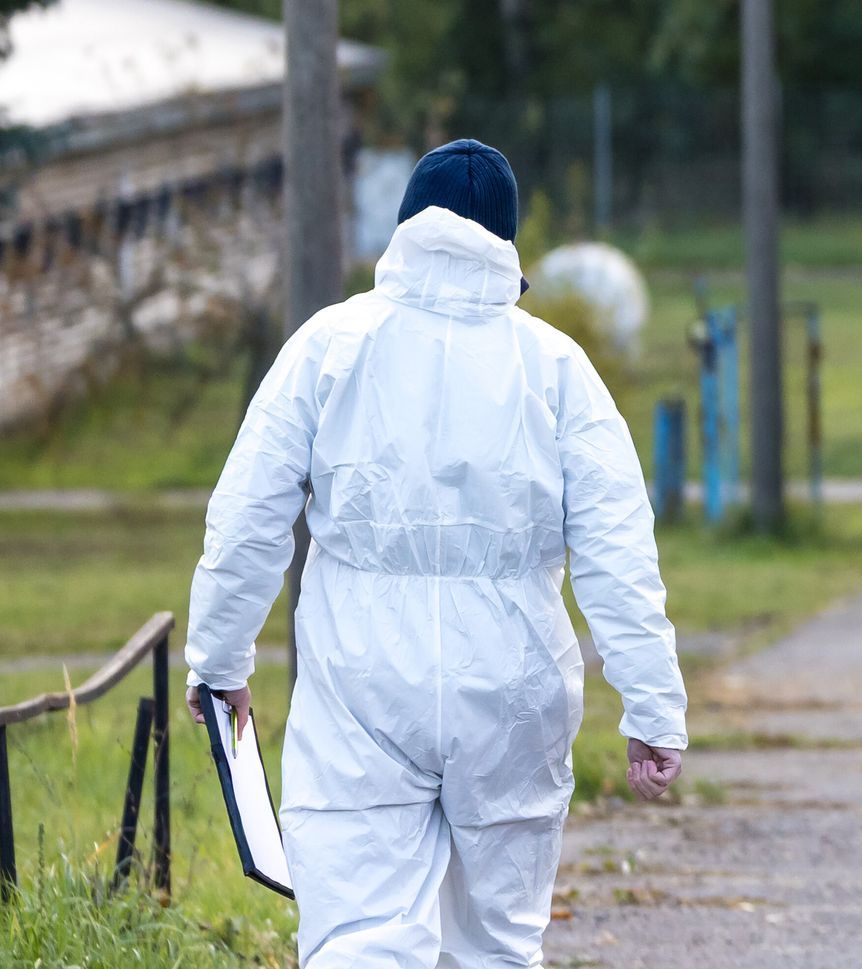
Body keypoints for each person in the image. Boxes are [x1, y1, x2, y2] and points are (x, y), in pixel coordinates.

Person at [184, 139, 689, 967]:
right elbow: (619, 547)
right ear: (509, 244)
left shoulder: (330, 344)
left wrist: (219, 657)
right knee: (494, 943)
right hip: (514, 681)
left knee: (358, 933)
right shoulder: (557, 367)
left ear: (404, 228)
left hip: (362, 678)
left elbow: (247, 513)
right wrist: (652, 705)